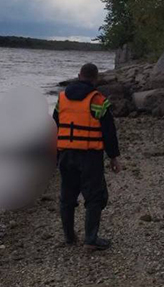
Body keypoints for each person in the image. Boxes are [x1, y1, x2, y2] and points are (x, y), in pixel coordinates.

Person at [52, 63, 121, 251]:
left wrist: (55, 154)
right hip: (89, 155)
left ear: (78, 75)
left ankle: (69, 237)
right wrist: (113, 157)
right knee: (95, 197)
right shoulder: (98, 100)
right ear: (95, 79)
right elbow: (108, 131)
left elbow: (55, 124)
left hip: (66, 154)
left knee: (67, 197)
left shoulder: (62, 98)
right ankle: (91, 239)